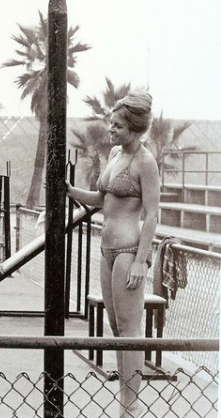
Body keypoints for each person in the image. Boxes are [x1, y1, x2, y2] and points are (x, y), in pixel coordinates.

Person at [66, 90, 159, 417]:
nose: (111, 129)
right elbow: (102, 199)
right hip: (106, 250)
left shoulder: (145, 162)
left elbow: (153, 214)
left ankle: (131, 406)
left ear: (134, 129)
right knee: (117, 329)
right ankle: (124, 396)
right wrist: (70, 190)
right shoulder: (117, 154)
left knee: (131, 330)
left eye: (117, 126)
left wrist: (139, 261)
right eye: (111, 123)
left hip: (128, 250)